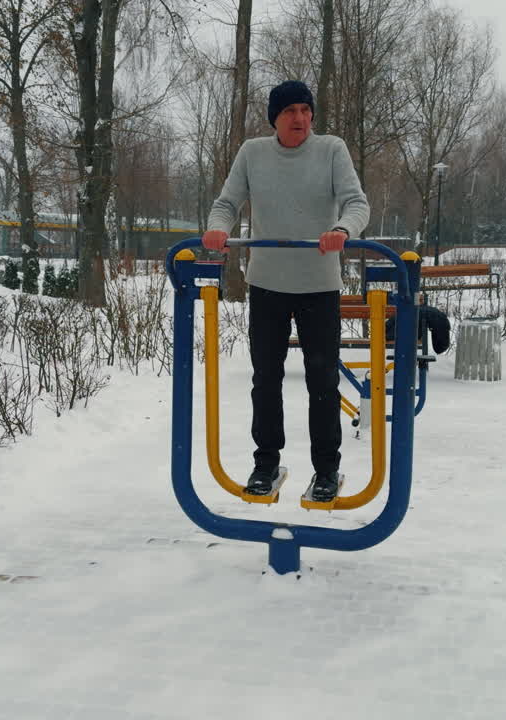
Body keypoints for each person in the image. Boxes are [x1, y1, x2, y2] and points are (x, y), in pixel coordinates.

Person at [202, 80, 370, 503]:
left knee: (323, 380)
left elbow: (356, 203)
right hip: (268, 286)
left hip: (318, 286)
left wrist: (341, 229)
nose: (300, 119)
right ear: (274, 117)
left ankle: (327, 470)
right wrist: (219, 229)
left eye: (305, 110)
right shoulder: (252, 153)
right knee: (266, 379)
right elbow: (227, 203)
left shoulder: (332, 149)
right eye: (290, 111)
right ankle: (266, 463)